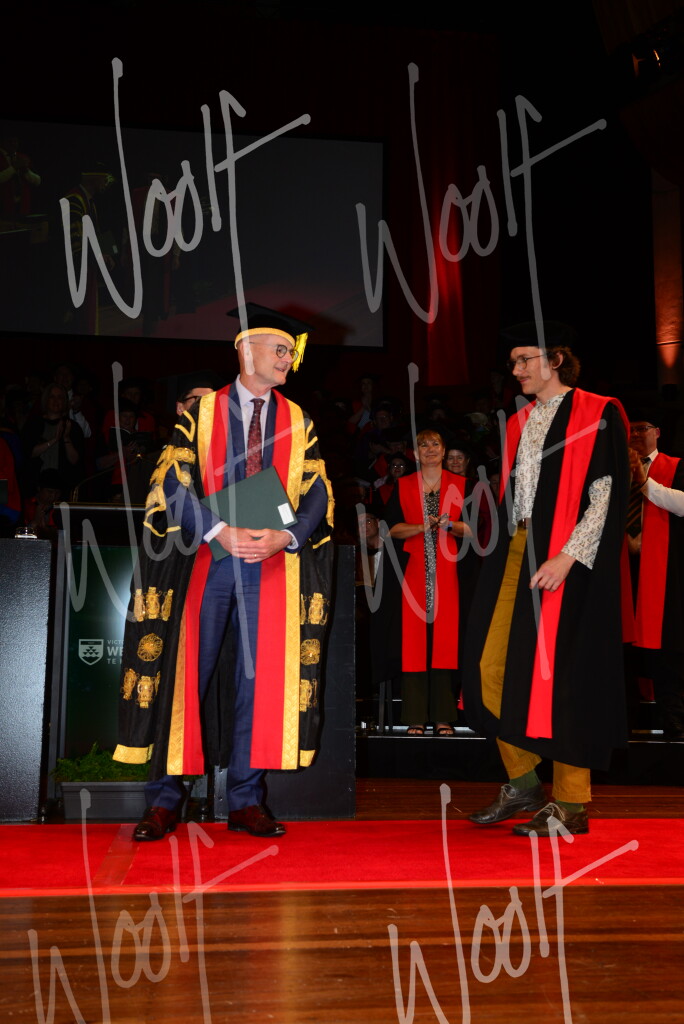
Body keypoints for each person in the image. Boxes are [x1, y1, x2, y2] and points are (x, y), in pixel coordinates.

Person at [114, 303, 334, 840]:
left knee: (260, 681)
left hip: (272, 562)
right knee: (184, 674)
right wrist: (218, 530)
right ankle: (165, 799)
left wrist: (288, 536)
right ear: (245, 350)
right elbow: (171, 481)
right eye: (279, 349)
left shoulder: (299, 419)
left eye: (290, 352)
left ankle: (245, 799)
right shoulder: (202, 412)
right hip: (206, 561)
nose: (288, 359)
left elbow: (318, 491)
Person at [462, 332, 630, 836]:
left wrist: (568, 556)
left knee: (563, 675)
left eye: (524, 360)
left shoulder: (599, 411)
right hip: (515, 548)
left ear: (555, 360)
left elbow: (605, 493)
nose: (515, 370)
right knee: (488, 666)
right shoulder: (519, 420)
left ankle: (573, 803)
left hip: (569, 555)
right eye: (512, 361)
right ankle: (524, 782)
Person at [384, 429, 476, 736]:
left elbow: (473, 531)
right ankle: (414, 718)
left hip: (451, 574)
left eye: (435, 443)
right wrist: (421, 526)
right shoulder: (404, 485)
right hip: (413, 574)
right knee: (414, 644)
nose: (430, 449)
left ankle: (443, 718)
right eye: (423, 445)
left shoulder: (463, 485)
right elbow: (391, 529)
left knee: (445, 643)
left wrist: (448, 524)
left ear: (444, 449)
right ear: (415, 453)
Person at [625, 415, 684, 740]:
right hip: (623, 568)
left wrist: (645, 481)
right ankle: (623, 724)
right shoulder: (614, 468)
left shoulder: (676, 466)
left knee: (666, 648)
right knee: (623, 650)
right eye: (631, 429)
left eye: (642, 428)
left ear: (658, 433)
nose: (636, 433)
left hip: (665, 571)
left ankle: (672, 720)